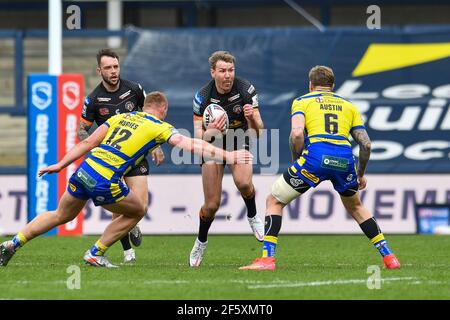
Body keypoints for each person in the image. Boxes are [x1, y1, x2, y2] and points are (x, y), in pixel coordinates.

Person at [0, 91, 252, 268]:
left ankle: (13, 242)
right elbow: (191, 144)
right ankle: (95, 253)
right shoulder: (159, 126)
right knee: (138, 209)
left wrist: (60, 164)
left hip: (85, 169)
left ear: (144, 107)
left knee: (60, 214)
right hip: (104, 178)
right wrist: (228, 154)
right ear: (163, 110)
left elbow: (88, 141)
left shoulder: (120, 117)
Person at [240, 65, 401, 271]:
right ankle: (389, 257)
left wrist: (297, 160)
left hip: (315, 158)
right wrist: (360, 174)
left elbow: (297, 134)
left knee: (274, 200)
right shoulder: (348, 105)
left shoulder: (302, 101)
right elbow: (366, 144)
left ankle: (267, 259)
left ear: (311, 85)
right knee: (356, 208)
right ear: (332, 86)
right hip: (344, 160)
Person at [77, 48, 165, 263]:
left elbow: (149, 120)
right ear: (99, 71)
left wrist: (156, 146)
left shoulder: (134, 90)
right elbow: (82, 129)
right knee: (120, 205)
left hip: (135, 157)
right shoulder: (94, 100)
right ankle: (128, 253)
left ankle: (132, 223)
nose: (113, 71)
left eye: (116, 66)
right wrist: (91, 149)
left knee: (140, 204)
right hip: (111, 160)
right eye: (108, 67)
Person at [189, 51, 265, 267]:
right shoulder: (202, 97)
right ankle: (201, 241)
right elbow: (197, 140)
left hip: (239, 140)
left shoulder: (246, 90)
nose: (227, 75)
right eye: (222, 71)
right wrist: (211, 130)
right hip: (212, 144)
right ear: (213, 72)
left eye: (231, 70)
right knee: (212, 205)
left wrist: (252, 119)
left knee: (243, 183)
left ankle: (252, 216)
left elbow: (258, 133)